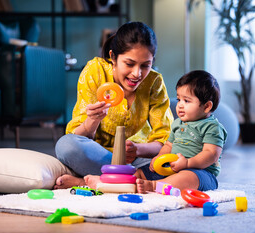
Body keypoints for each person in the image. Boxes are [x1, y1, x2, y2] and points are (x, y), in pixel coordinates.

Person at [54, 22, 174, 189]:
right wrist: (92, 121)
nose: (137, 74)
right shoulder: (95, 71)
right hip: (100, 156)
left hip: (137, 159)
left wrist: (137, 149)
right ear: (113, 57)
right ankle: (129, 180)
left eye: (145, 65)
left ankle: (91, 182)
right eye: (129, 64)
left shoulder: (154, 82)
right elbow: (78, 137)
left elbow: (165, 140)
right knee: (66, 146)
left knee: (178, 160)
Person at [84, 70, 227, 193]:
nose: (180, 105)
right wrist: (158, 158)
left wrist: (188, 164)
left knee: (187, 178)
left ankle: (152, 186)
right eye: (179, 99)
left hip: (200, 173)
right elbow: (168, 146)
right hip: (170, 168)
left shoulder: (212, 127)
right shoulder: (178, 123)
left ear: (207, 106)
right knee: (138, 172)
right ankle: (104, 184)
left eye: (187, 101)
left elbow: (211, 154)